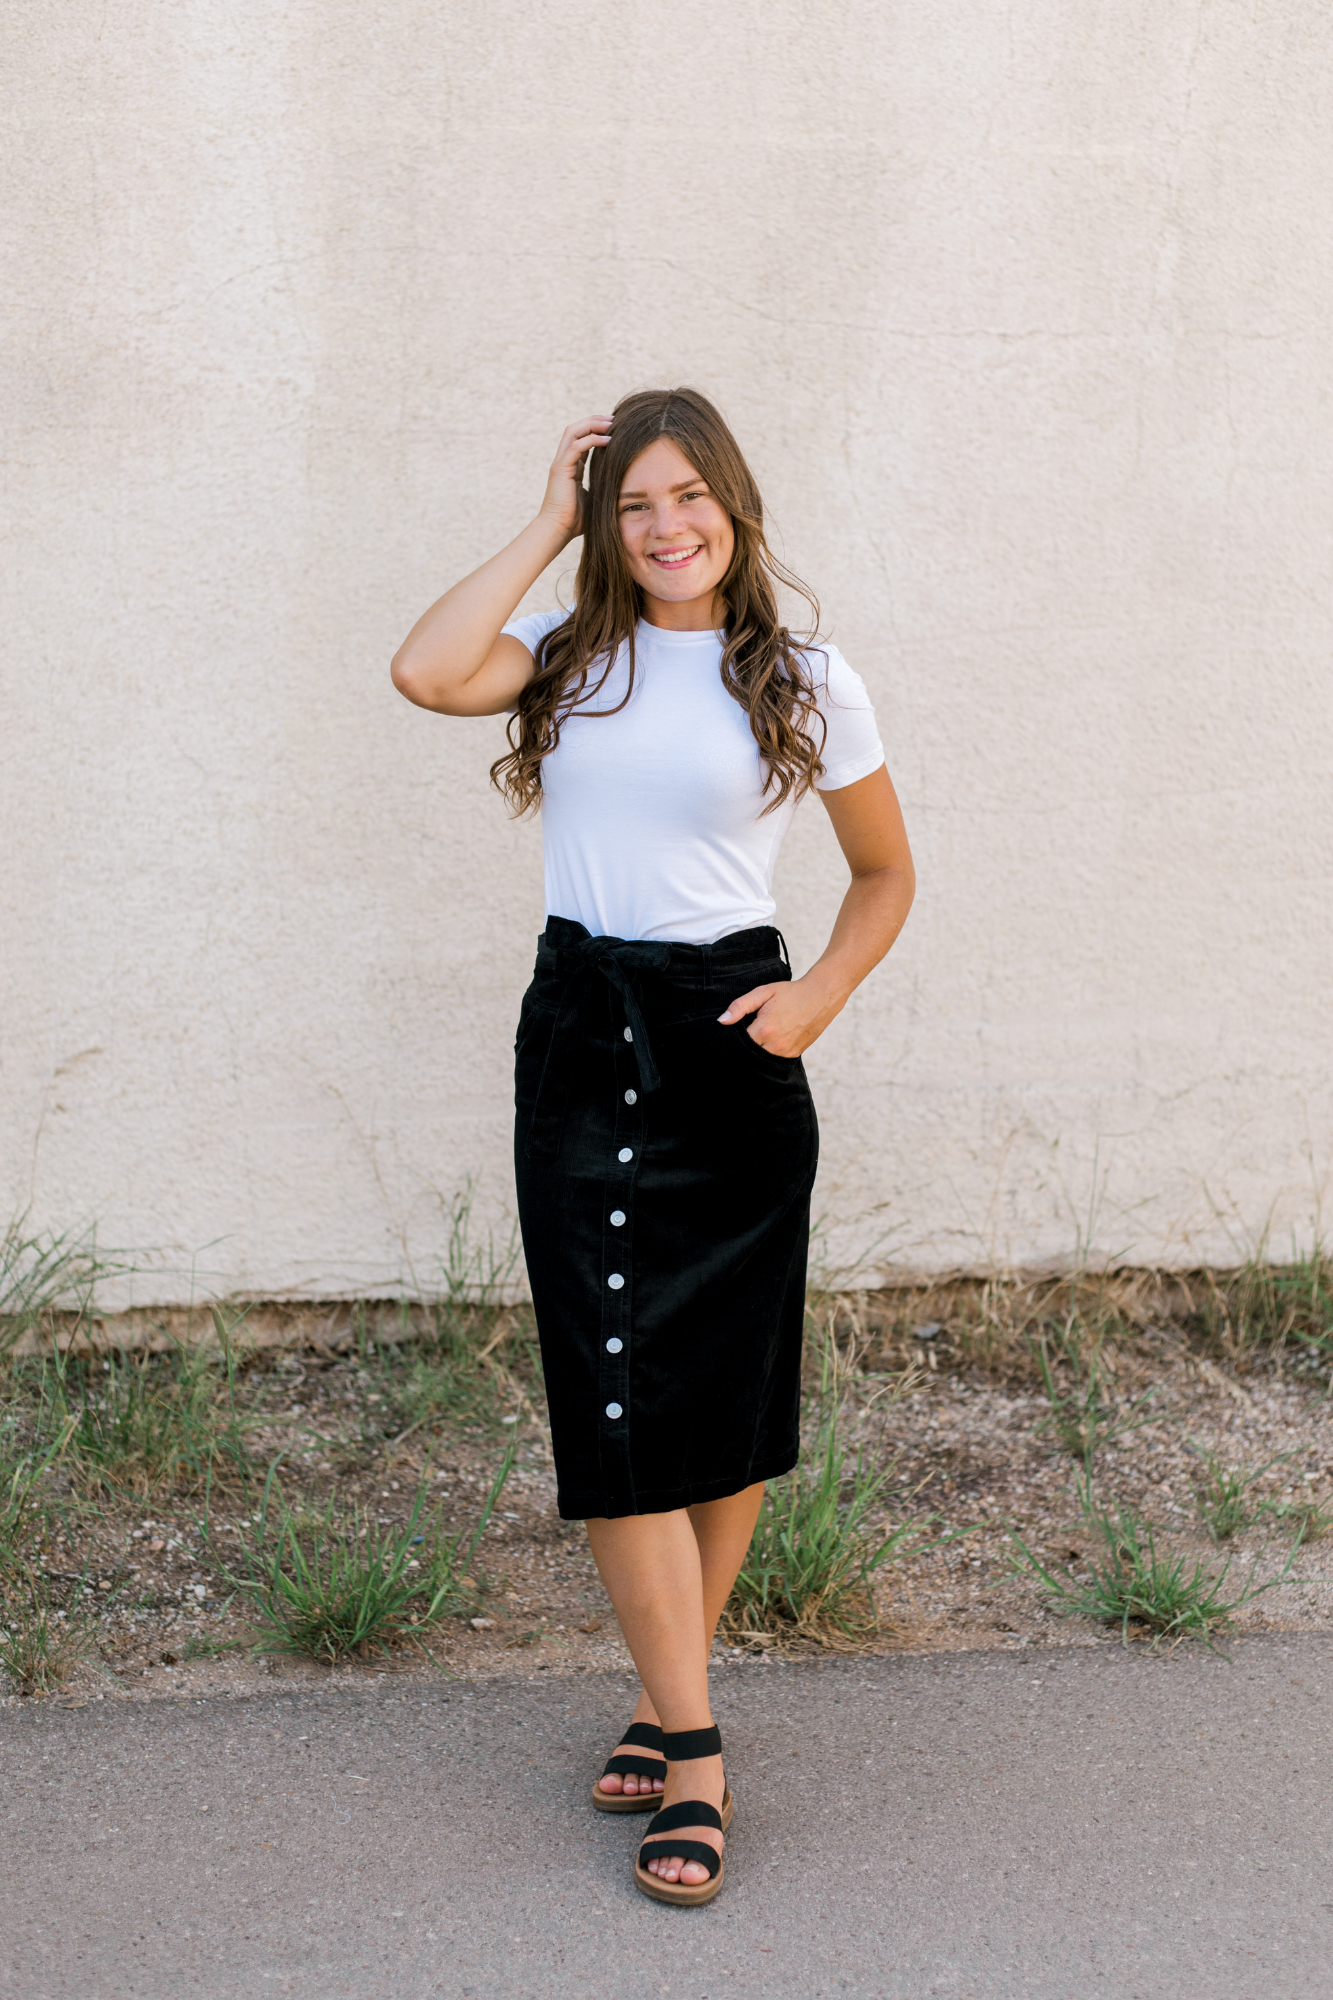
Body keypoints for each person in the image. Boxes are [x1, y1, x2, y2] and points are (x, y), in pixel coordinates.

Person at [390, 387, 914, 1905]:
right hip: (579, 1030)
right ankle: (696, 1741)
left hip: (729, 1040)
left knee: (726, 1391)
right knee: (610, 1390)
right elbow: (427, 669)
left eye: (689, 498)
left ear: (736, 507)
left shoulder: (809, 679)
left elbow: (882, 876)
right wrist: (550, 518)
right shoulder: (570, 656)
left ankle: (662, 1698)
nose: (667, 527)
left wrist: (811, 1002)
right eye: (635, 504)